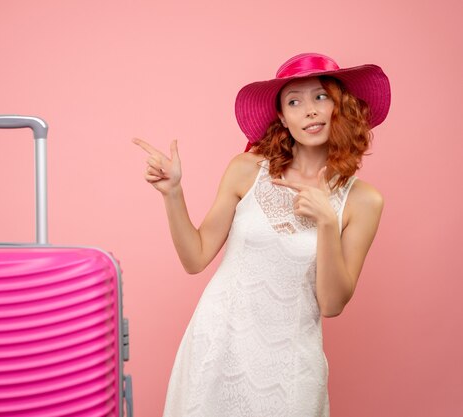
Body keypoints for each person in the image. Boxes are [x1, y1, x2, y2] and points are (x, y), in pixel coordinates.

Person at [133, 52, 391, 417]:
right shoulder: (245, 170)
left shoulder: (364, 201)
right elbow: (196, 257)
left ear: (340, 106)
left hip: (291, 363)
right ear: (283, 119)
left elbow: (332, 305)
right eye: (294, 101)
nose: (310, 110)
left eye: (320, 97)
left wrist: (327, 224)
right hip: (219, 344)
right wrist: (173, 193)